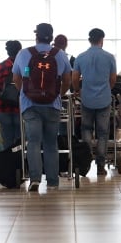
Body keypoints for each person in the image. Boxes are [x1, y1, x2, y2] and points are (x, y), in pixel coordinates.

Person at [12, 23, 72, 191]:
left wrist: (26, 93)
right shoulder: (60, 55)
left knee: (33, 142)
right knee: (51, 143)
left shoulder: (24, 54)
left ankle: (35, 179)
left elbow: (17, 77)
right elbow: (67, 80)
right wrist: (57, 94)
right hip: (52, 105)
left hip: (30, 105)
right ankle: (53, 182)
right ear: (51, 37)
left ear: (36, 36)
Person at [71, 28, 117, 176]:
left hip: (86, 99)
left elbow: (74, 77)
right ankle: (100, 166)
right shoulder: (109, 57)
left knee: (86, 130)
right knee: (103, 133)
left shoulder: (81, 57)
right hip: (104, 99)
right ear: (101, 40)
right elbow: (113, 79)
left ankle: (85, 163)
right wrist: (106, 89)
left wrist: (78, 90)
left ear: (89, 40)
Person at [0, 40, 23, 149]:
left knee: (6, 138)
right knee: (19, 138)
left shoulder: (0, 67)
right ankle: (18, 162)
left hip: (2, 108)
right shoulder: (25, 66)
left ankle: (8, 162)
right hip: (20, 107)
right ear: (20, 51)